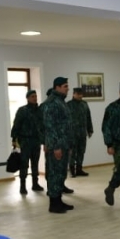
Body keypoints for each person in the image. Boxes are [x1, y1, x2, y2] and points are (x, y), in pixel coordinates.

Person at [41, 76, 74, 214]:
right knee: (54, 174)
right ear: (57, 87)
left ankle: (59, 201)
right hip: (57, 146)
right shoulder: (51, 103)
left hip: (64, 144)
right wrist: (56, 146)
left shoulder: (61, 101)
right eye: (65, 86)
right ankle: (53, 204)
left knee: (61, 174)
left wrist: (69, 145)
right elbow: (50, 127)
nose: (68, 89)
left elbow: (66, 125)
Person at [102, 81, 120, 206]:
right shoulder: (112, 108)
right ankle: (111, 188)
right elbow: (106, 127)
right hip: (119, 145)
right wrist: (109, 144)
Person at [10, 89, 44, 195]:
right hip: (25, 141)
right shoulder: (22, 110)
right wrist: (14, 139)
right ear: (28, 98)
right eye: (32, 96)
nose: (35, 98)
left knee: (35, 163)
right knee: (24, 164)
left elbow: (42, 126)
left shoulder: (39, 110)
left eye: (36, 96)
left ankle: (35, 184)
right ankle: (23, 186)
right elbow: (16, 125)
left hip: (36, 141)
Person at [67, 87, 94, 178]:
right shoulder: (68, 105)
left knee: (81, 151)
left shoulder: (84, 104)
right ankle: (72, 170)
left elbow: (88, 117)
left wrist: (90, 130)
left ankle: (79, 169)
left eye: (81, 94)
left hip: (82, 133)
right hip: (72, 134)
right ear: (73, 94)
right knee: (72, 153)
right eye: (78, 94)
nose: (80, 96)